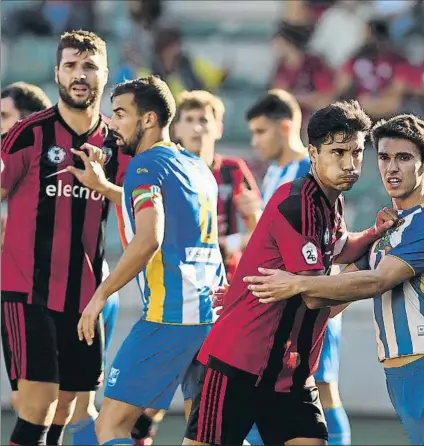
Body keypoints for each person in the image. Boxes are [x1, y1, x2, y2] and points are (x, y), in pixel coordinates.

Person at [182, 100, 396, 446]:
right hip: (240, 363)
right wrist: (379, 279)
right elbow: (314, 293)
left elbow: (339, 249)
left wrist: (375, 233)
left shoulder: (330, 201)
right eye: (338, 152)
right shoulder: (297, 203)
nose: (349, 164)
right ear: (313, 153)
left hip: (289, 369)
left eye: (356, 153)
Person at [245, 113, 424, 445]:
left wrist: (298, 282)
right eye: (384, 157)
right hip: (400, 373)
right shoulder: (391, 228)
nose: (392, 168)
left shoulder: (422, 223)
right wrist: (248, 302)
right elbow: (333, 298)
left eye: (404, 157)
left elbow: (376, 281)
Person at [77, 76, 226, 445]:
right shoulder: (197, 167)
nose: (112, 123)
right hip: (212, 315)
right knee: (202, 435)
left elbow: (149, 238)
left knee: (108, 427)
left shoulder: (143, 167)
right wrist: (106, 188)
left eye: (121, 113)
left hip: (169, 316)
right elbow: (175, 219)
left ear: (148, 119)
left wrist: (99, 296)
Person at [0, 30, 129, 446]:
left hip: (84, 298)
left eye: (89, 66)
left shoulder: (116, 143)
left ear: (104, 75)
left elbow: (139, 206)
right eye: (71, 65)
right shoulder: (28, 134)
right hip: (28, 291)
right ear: (56, 72)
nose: (80, 74)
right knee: (37, 406)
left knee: (69, 409)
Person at [246, 89, 350, 445]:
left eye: (261, 132)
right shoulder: (274, 172)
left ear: (285, 126)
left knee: (321, 387)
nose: (255, 142)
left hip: (311, 292)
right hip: (282, 302)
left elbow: (321, 238)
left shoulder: (311, 172)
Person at [174, 90, 261, 282]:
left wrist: (234, 239)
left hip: (226, 275)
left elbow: (259, 232)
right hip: (181, 277)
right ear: (176, 129)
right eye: (189, 120)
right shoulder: (169, 172)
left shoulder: (233, 169)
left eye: (203, 120)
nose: (196, 128)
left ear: (218, 128)